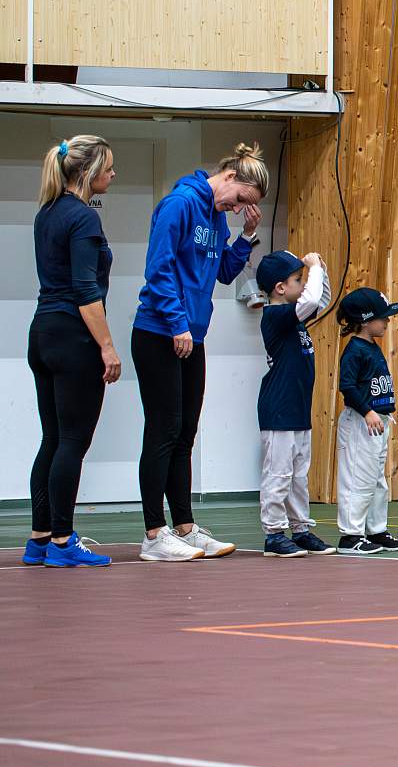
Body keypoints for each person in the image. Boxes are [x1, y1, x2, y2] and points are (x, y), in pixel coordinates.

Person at [131, 141, 266, 562]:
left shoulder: (217, 217)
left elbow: (223, 272)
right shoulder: (180, 204)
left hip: (193, 336)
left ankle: (185, 528)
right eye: (239, 198)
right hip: (160, 332)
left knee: (185, 432)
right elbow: (158, 270)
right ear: (229, 176)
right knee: (163, 429)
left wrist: (246, 238)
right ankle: (154, 533)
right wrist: (177, 323)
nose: (236, 208)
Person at [25, 135, 120, 568]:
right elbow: (85, 291)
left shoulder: (46, 213)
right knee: (72, 441)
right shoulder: (83, 218)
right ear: (87, 172)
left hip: (43, 334)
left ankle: (40, 538)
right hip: (73, 338)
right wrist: (107, 346)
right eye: (108, 167)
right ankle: (63, 540)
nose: (113, 174)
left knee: (53, 438)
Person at [254, 250, 334, 557]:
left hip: (298, 409)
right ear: (280, 288)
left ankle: (300, 529)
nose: (304, 284)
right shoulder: (275, 316)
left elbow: (321, 300)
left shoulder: (293, 319)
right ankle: (274, 533)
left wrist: (320, 270)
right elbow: (310, 301)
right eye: (298, 279)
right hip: (279, 410)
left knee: (299, 476)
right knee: (279, 474)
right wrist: (313, 268)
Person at [335, 286, 398, 554]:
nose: (387, 321)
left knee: (377, 481)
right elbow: (347, 386)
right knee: (358, 479)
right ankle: (351, 535)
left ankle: (376, 530)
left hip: (377, 423)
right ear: (365, 320)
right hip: (360, 423)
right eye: (382, 317)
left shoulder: (371, 346)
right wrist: (367, 411)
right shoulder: (355, 350)